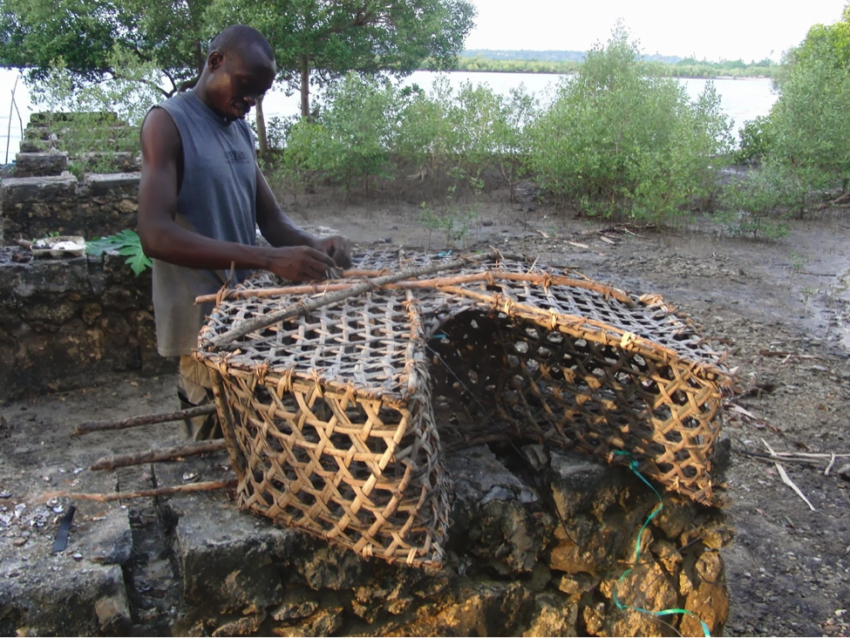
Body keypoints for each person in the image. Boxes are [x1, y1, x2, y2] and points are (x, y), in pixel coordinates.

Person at [137, 25, 352, 440]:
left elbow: (271, 222)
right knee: (216, 446)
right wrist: (269, 259)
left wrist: (317, 246)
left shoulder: (238, 129)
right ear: (215, 62)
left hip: (245, 312)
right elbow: (154, 234)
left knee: (259, 437)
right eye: (244, 87)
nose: (249, 103)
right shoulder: (167, 124)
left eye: (258, 95)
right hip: (200, 323)